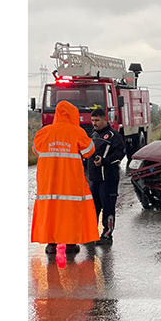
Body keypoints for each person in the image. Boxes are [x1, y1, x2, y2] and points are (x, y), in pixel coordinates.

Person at [31, 101, 100, 254]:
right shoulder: (77, 131)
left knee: (50, 210)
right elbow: (89, 150)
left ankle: (51, 244)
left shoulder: (45, 132)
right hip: (71, 180)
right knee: (70, 211)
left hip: (48, 181)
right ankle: (70, 244)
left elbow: (35, 149)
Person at [86, 107, 126, 245]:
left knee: (108, 207)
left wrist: (104, 161)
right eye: (92, 120)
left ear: (105, 119)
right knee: (93, 208)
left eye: (97, 120)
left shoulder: (114, 136)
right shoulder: (93, 135)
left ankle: (107, 235)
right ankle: (91, 234)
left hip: (108, 178)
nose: (94, 123)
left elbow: (120, 154)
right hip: (94, 179)